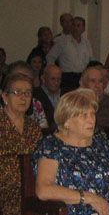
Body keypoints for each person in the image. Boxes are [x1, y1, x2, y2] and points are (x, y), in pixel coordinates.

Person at [33, 89, 109, 215]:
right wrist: (88, 198)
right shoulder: (52, 145)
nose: (91, 120)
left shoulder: (101, 142)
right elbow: (43, 190)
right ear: (67, 121)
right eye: (84, 115)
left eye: (93, 114)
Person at [0, 73, 42, 215]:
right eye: (17, 92)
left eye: (28, 93)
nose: (23, 97)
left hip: (31, 191)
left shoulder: (33, 127)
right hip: (4, 193)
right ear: (5, 96)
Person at [47, 16, 93, 93]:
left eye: (78, 25)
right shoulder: (62, 41)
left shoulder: (86, 43)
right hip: (67, 77)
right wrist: (54, 73)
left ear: (83, 28)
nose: (75, 28)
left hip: (82, 76)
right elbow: (50, 57)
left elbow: (91, 60)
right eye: (73, 25)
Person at [3, 60, 49, 129]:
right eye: (17, 92)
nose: (23, 97)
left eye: (27, 79)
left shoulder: (36, 104)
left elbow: (44, 130)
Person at [79, 66, 109, 130]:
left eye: (100, 81)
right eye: (92, 81)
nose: (97, 85)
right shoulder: (75, 102)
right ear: (82, 84)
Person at [32, 64, 62, 132]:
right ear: (43, 78)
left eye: (59, 79)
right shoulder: (35, 95)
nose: (56, 82)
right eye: (53, 79)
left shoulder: (66, 94)